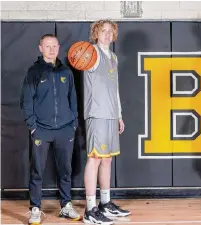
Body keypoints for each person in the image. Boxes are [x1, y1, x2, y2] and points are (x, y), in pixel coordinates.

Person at [20, 34, 80, 224]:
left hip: (64, 129)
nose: (51, 49)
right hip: (42, 131)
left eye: (54, 46)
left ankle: (66, 206)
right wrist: (32, 126)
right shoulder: (33, 72)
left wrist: (73, 123)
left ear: (58, 47)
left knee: (65, 170)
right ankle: (36, 208)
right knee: (37, 170)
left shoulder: (66, 73)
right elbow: (26, 101)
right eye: (47, 46)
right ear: (40, 48)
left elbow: (73, 99)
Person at [82, 20, 130, 225]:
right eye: (103, 31)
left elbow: (115, 90)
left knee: (107, 159)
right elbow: (82, 60)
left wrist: (119, 115)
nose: (108, 34)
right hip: (97, 113)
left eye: (111, 31)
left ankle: (105, 203)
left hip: (111, 114)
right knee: (94, 158)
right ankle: (90, 209)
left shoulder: (113, 57)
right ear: (96, 33)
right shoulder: (91, 53)